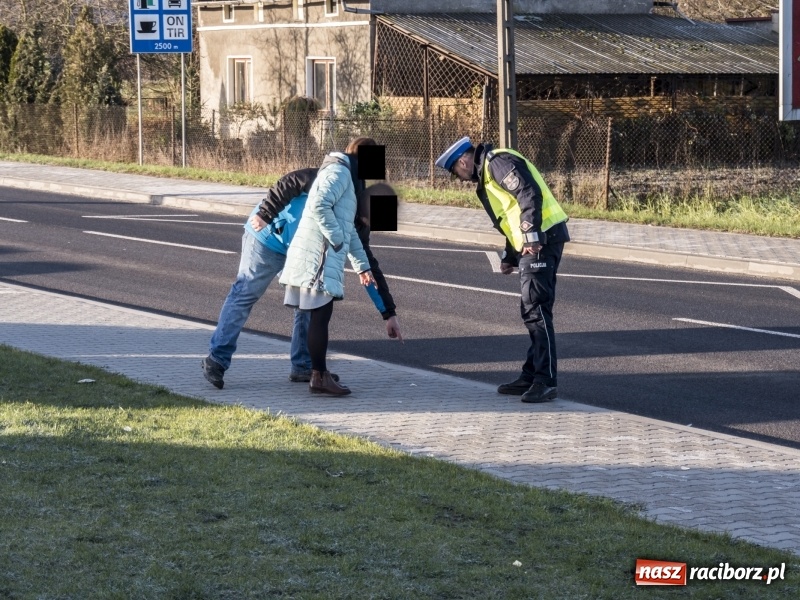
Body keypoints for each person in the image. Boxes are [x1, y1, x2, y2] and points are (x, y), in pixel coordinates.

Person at [201, 140, 401, 390]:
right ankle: (216, 359)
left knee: (310, 304)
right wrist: (265, 213)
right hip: (269, 238)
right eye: (365, 219)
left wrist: (388, 313)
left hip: (302, 252)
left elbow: (367, 266)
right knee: (246, 293)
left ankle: (303, 366)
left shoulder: (358, 220)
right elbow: (290, 182)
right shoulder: (332, 178)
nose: (364, 224)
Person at [435, 136, 569, 403]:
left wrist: (530, 238)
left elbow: (528, 194)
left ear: (463, 161)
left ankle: (546, 380)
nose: (460, 178)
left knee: (537, 310)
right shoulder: (489, 170)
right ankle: (531, 375)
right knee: (533, 311)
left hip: (542, 240)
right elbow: (511, 214)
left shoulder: (498, 162)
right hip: (535, 242)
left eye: (457, 173)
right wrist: (510, 254)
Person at [279, 144, 376, 396]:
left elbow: (350, 230)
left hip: (318, 253)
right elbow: (320, 206)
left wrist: (362, 266)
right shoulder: (340, 172)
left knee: (320, 315)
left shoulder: (343, 175)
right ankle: (319, 376)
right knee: (320, 316)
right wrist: (336, 239)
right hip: (318, 255)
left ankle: (318, 372)